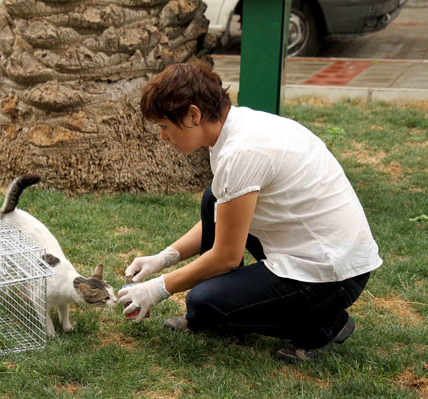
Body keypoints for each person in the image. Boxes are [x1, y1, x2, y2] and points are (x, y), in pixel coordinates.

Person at [119, 62, 382, 363]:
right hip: (321, 249)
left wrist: (157, 289)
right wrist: (164, 257)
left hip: (333, 274)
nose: (163, 136)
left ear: (193, 115)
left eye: (165, 126)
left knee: (203, 303)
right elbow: (224, 215)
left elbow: (227, 256)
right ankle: (234, 311)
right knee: (212, 199)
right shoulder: (235, 127)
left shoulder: (241, 152)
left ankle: (324, 324)